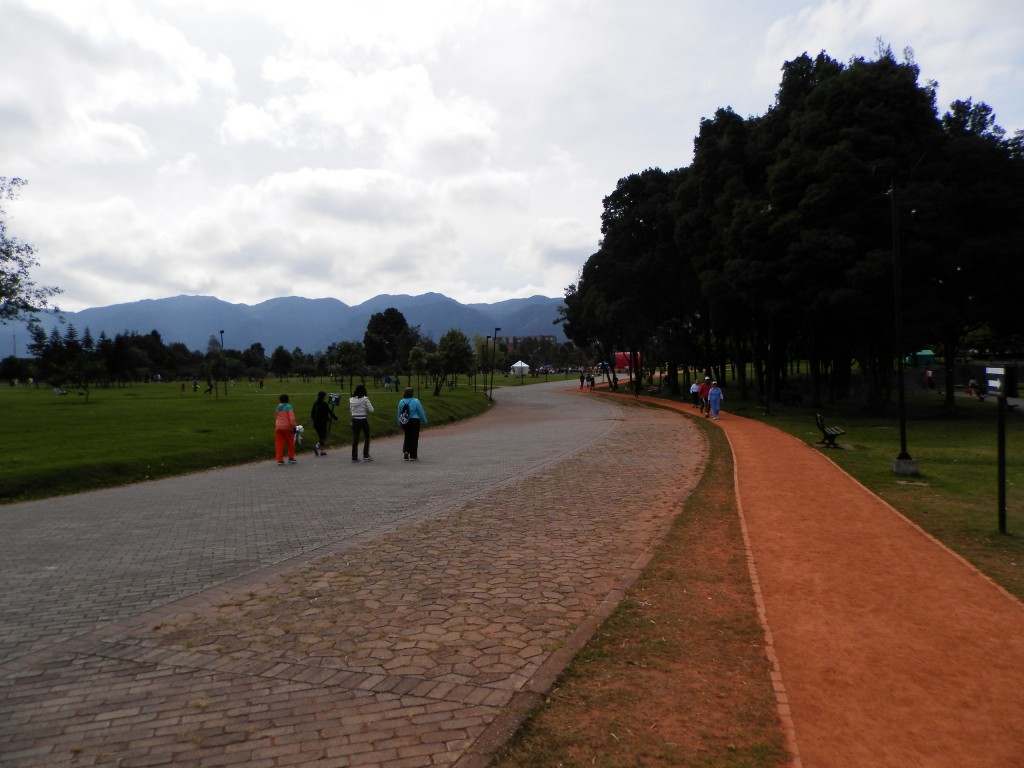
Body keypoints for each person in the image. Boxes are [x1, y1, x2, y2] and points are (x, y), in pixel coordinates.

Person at [397, 386, 428, 461]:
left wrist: (399, 422)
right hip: (415, 420)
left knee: (407, 436)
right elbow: (421, 411)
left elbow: (399, 413)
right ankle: (413, 455)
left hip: (405, 421)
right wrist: (424, 420)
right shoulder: (416, 401)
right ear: (412, 393)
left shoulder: (401, 401)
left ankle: (406, 451)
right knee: (414, 437)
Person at [349, 384, 375, 462]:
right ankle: (366, 455)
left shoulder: (351, 399)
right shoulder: (365, 399)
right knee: (367, 437)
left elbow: (351, 410)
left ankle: (354, 457)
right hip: (363, 419)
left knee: (355, 438)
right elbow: (371, 410)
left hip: (354, 419)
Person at [310, 390, 338, 456]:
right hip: (322, 423)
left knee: (321, 436)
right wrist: (336, 418)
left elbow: (312, 412)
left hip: (315, 423)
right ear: (324, 397)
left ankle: (322, 451)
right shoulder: (324, 404)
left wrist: (313, 418)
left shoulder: (315, 403)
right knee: (323, 437)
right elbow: (330, 412)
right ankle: (316, 446)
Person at [274, 393, 298, 465]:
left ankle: (280, 460)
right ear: (287, 399)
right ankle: (291, 457)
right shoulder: (289, 407)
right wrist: (294, 426)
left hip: (278, 427)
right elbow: (292, 418)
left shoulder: (277, 407)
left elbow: (276, 417)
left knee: (279, 443)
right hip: (287, 427)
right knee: (290, 442)